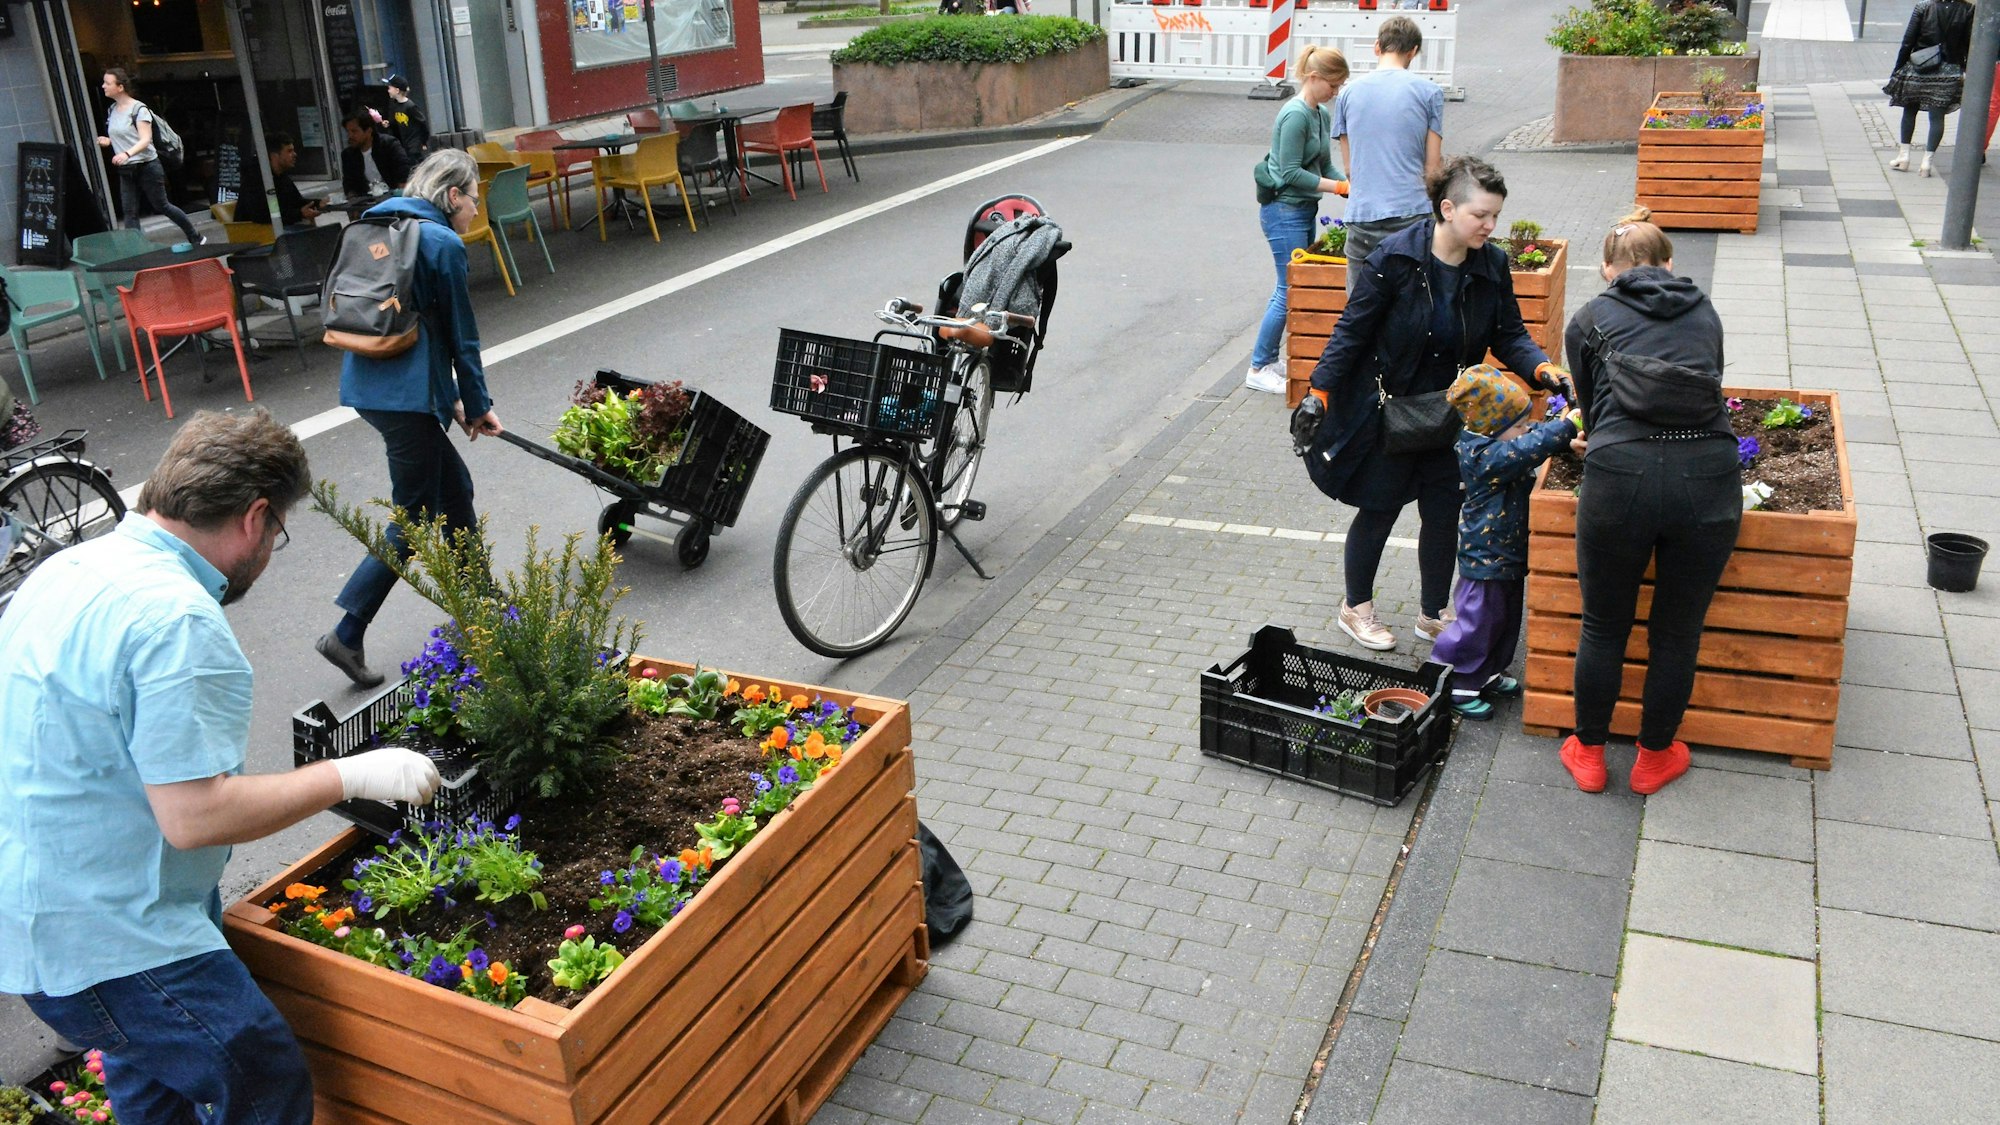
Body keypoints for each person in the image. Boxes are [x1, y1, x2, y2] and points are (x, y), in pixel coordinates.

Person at [0, 409, 444, 1122]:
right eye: (277, 532)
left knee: (155, 1080)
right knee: (261, 1073)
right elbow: (196, 817)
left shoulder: (70, 569)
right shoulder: (177, 620)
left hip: (38, 915)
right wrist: (352, 774)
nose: (270, 552)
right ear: (255, 517)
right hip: (115, 938)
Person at [1292, 155, 1570, 652]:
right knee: (1379, 508)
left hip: (1450, 413)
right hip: (1390, 411)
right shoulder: (1395, 259)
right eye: (1480, 215)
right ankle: (1356, 608)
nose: (1490, 226)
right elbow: (1352, 331)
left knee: (1444, 512)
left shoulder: (1491, 264)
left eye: (1495, 215)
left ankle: (1433, 613)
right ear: (1447, 209)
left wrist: (1543, 370)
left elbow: (1509, 333)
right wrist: (1319, 394)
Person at [1558, 207, 1733, 797]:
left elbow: (1591, 407)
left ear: (1608, 269)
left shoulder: (1589, 318)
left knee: (1604, 626)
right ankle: (1654, 757)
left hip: (1620, 476)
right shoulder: (1705, 310)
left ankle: (1588, 753)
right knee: (1678, 631)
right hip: (1707, 475)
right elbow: (1709, 382)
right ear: (1669, 263)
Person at [318, 150, 503, 686]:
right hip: (406, 397)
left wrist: (453, 402)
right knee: (417, 514)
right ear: (452, 195)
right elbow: (461, 336)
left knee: (455, 489)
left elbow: (417, 325)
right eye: (473, 199)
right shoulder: (442, 243)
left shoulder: (381, 222)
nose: (476, 210)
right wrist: (477, 403)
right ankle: (347, 631)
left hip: (371, 382)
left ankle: (481, 603)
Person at [1430, 366, 1579, 720]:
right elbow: (1529, 447)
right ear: (1492, 428)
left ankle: (1487, 672)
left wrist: (1564, 437)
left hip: (1507, 555)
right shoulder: (1482, 455)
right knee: (1479, 622)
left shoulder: (1500, 438)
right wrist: (1567, 428)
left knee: (1504, 620)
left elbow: (1532, 435)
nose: (1526, 430)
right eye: (1519, 426)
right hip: (1485, 560)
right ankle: (1456, 681)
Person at [1247, 46, 1351, 394]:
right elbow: (1290, 173)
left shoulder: (1320, 114)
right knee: (1289, 288)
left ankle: (1269, 358)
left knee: (1294, 285)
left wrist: (1348, 184)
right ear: (1314, 77)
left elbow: (1324, 165)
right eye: (1333, 85)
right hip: (1283, 211)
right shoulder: (1295, 115)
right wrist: (1339, 187)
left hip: (1304, 209)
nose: (1335, 91)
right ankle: (1258, 367)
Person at [1331, 16, 1443, 291]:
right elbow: (1433, 169)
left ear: (1377, 46)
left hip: (1363, 214)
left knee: (1361, 305)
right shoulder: (1430, 93)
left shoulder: (1347, 94)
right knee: (1411, 303)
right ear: (1413, 51)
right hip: (1412, 213)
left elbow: (1350, 169)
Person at [94, 68, 202, 245]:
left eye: (107, 83)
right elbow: (126, 136)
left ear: (120, 87)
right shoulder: (112, 110)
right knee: (129, 212)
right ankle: (137, 249)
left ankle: (194, 235)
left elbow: (145, 140)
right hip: (126, 169)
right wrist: (109, 141)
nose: (103, 86)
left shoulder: (139, 109)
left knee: (162, 205)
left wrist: (126, 153)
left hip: (147, 166)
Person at [1884, 0, 1974, 177]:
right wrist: (1964, 69)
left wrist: (1899, 67)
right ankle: (1927, 162)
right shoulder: (1968, 9)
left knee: (1909, 111)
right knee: (1937, 117)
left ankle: (1904, 157)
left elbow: (1908, 41)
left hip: (1919, 66)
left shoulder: (1923, 7)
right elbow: (1969, 44)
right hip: (1949, 70)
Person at [234, 132, 322, 230]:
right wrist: (299, 214)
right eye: (289, 151)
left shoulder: (281, 176)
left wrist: (319, 203)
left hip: (277, 228)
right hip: (257, 232)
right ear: (274, 156)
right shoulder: (255, 179)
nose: (295, 154)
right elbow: (264, 215)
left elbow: (296, 201)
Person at [340, 108, 413, 197]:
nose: (350, 136)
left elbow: (404, 173)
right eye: (348, 131)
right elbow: (349, 184)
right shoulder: (348, 155)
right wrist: (352, 200)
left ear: (368, 131)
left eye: (354, 131)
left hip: (393, 196)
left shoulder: (389, 145)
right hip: (366, 200)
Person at [386, 75, 433, 165]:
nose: (388, 91)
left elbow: (422, 123)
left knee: (416, 164)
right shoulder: (394, 105)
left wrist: (423, 141)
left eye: (390, 88)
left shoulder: (410, 106)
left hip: (413, 145)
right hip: (404, 144)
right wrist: (388, 124)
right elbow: (395, 123)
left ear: (397, 90)